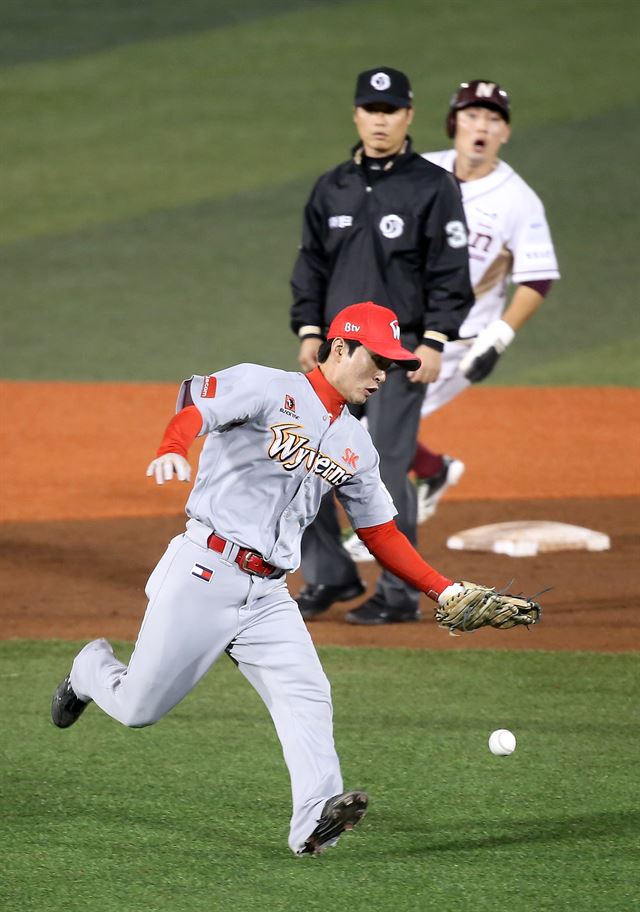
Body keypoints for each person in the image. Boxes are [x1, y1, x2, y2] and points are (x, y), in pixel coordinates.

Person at [51, 302, 476, 858]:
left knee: (307, 691)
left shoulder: (357, 444)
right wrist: (172, 448)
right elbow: (195, 412)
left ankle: (312, 825)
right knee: (138, 708)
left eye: (392, 367)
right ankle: (89, 669)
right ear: (341, 348)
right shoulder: (266, 388)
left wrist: (442, 588)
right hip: (205, 571)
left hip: (269, 594)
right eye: (377, 361)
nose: (382, 376)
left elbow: (380, 532)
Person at [343, 79, 561, 565]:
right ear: (453, 123)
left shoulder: (517, 200)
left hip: (456, 343)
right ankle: (432, 471)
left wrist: (499, 338)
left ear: (504, 132)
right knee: (353, 413)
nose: (481, 127)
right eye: (471, 116)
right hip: (395, 328)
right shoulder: (422, 171)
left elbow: (538, 276)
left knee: (376, 428)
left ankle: (385, 527)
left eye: (493, 119)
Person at [290, 67, 474, 625]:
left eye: (391, 110)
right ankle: (330, 574)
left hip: (401, 351)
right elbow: (311, 266)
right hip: (339, 353)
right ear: (356, 114)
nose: (380, 120)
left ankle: (399, 595)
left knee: (388, 469)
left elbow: (451, 272)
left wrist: (437, 341)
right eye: (371, 109)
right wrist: (308, 330)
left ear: (409, 117)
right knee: (299, 457)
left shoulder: (433, 186)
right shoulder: (332, 186)